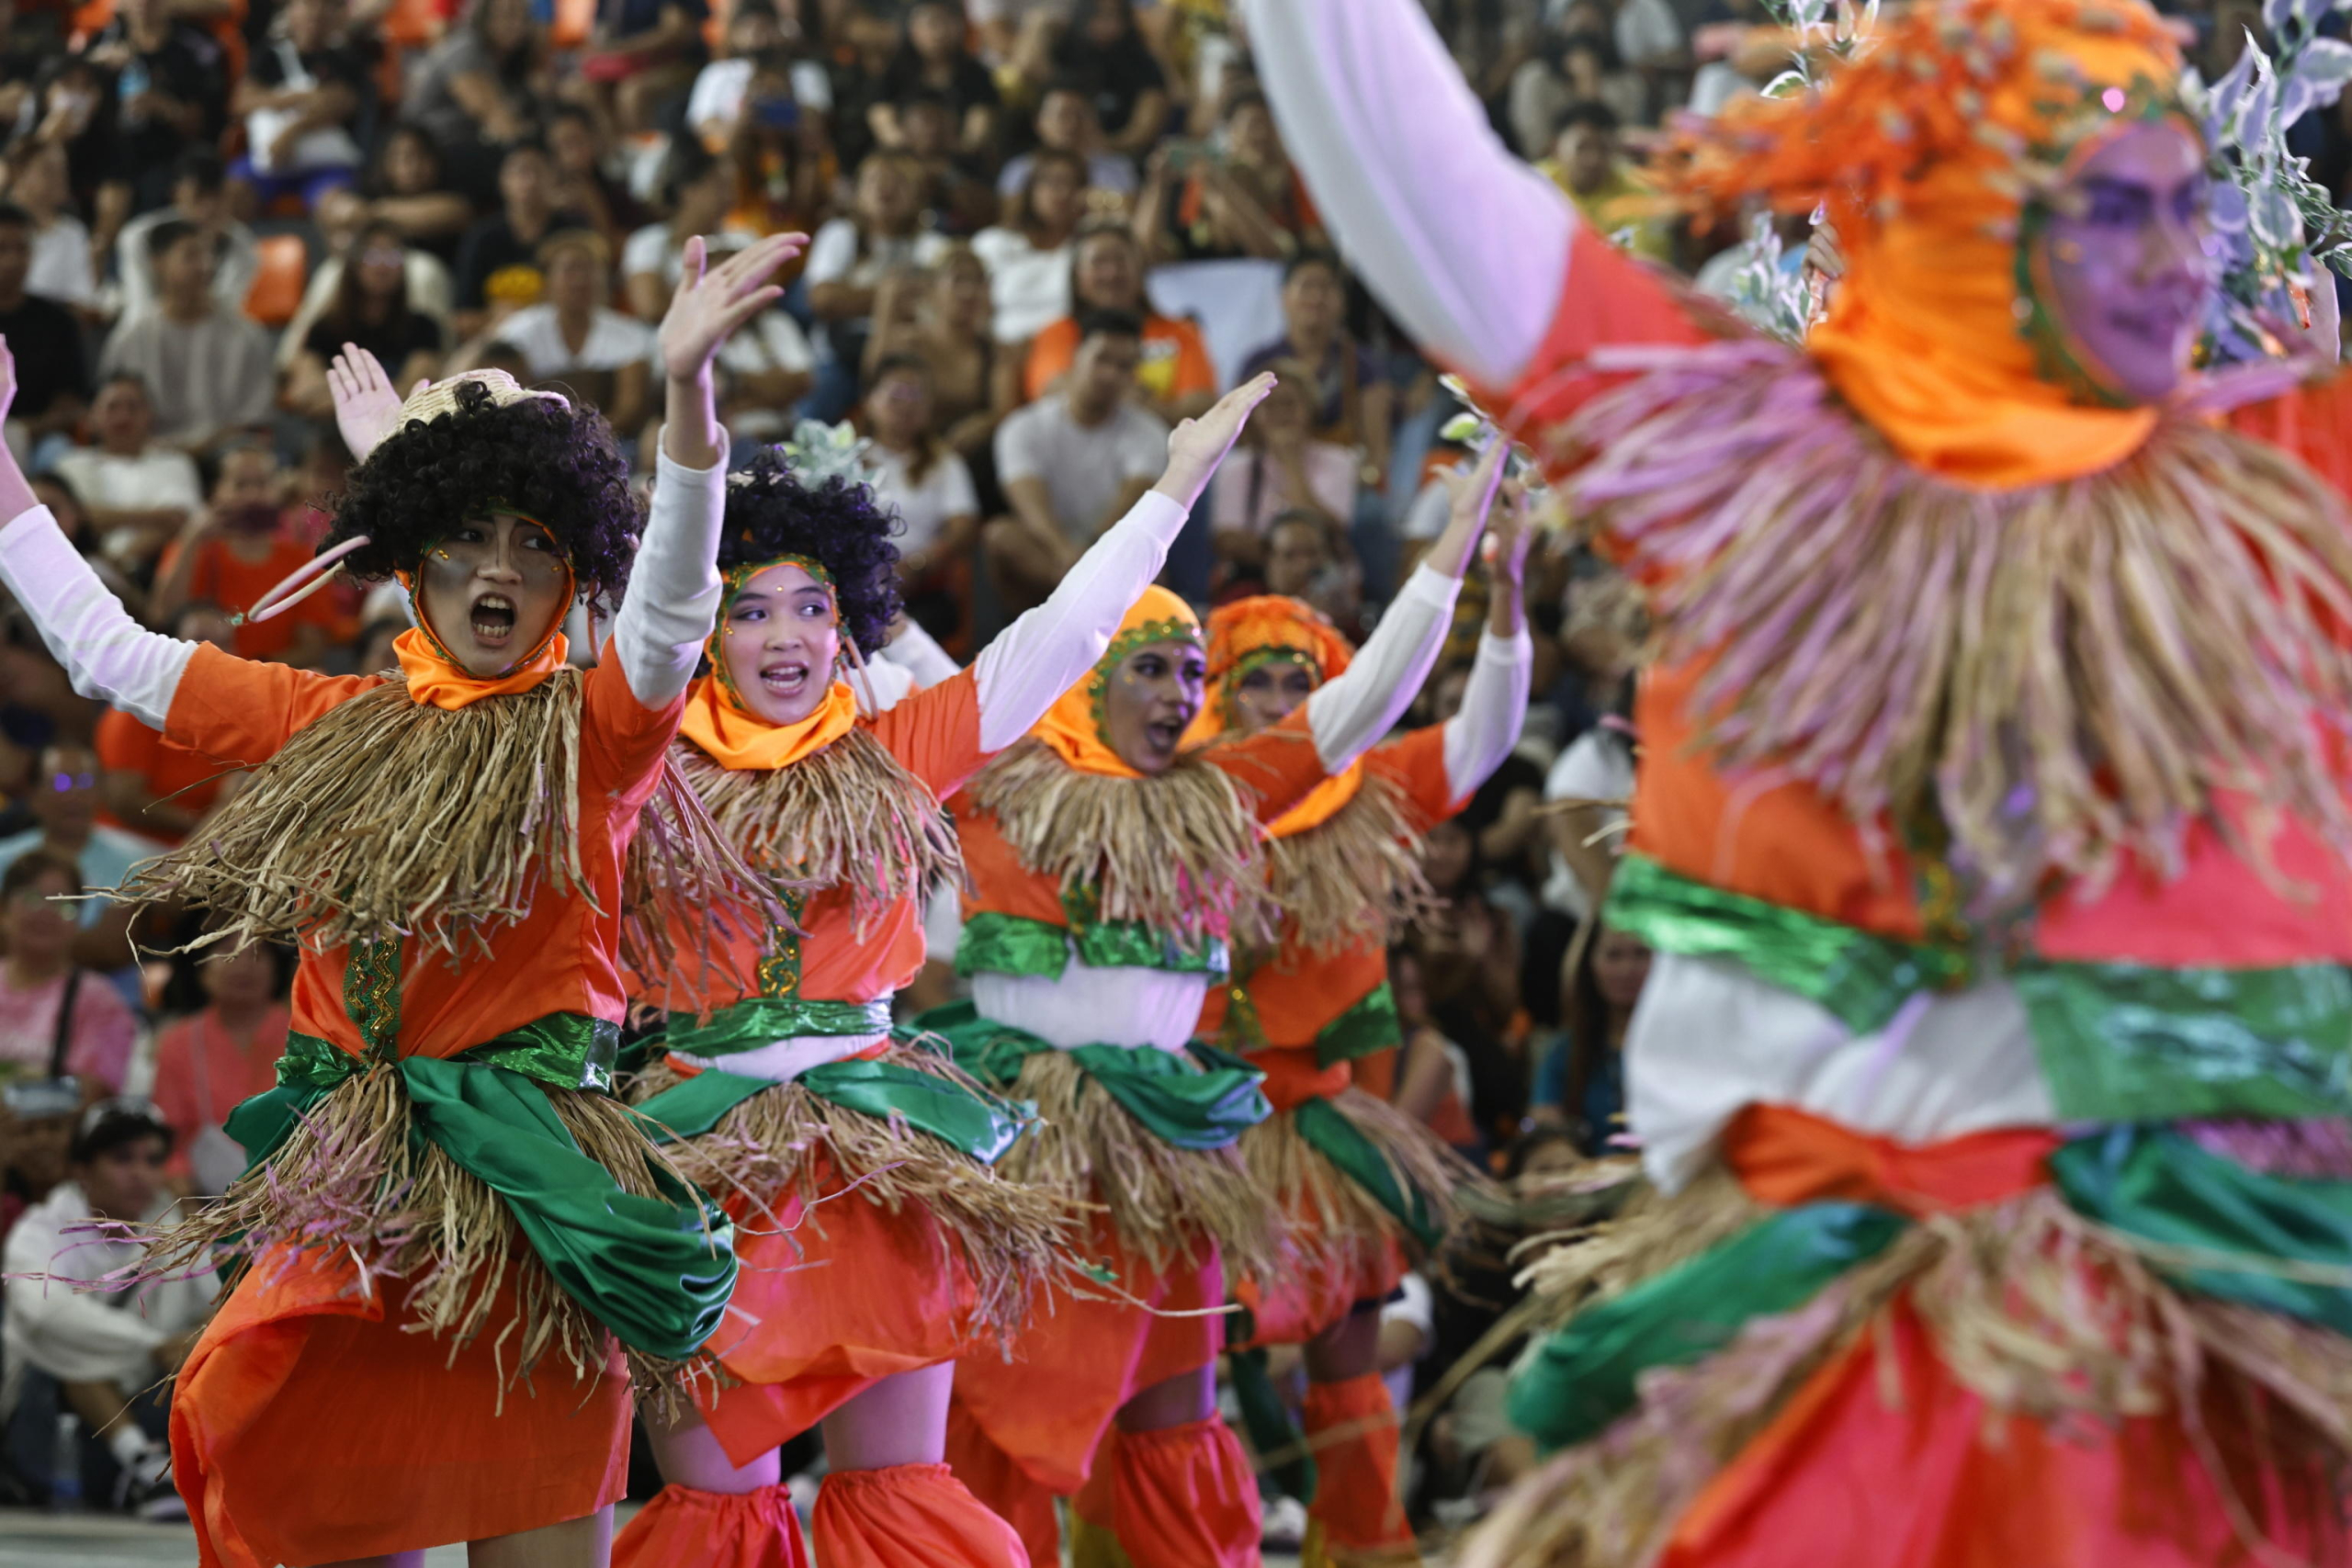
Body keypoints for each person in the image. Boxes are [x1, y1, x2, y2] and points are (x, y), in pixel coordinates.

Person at [1250, 0, 2352, 1561]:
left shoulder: (2277, 484)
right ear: (1970, 218)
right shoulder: (1749, 468)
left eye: (2192, 204)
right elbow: (1421, 180)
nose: (2183, 261)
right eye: (2116, 208)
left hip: (2201, 1324)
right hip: (1857, 1338)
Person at [0, 229, 805, 1565]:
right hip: (359, 1202)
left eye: (534, 547)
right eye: (466, 538)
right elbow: (109, 654)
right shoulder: (331, 718)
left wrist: (687, 404)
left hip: (539, 1200)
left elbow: (673, 611)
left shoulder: (600, 736)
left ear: (571, 580)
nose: (499, 569)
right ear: (412, 559)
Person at [612, 378, 1278, 1568]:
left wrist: (1172, 487)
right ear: (707, 626)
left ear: (846, 624)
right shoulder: (641, 759)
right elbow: (651, 601)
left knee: (903, 1496)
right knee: (712, 1511)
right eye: (751, 610)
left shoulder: (900, 748)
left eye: (810, 607)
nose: (784, 637)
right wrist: (686, 406)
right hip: (699, 1162)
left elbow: (1065, 635)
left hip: (875, 1166)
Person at [930, 455, 1487, 1568]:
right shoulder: (991, 775)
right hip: (1021, 1159)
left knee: (1173, 1428)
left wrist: (1462, 539)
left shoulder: (1219, 799)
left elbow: (1369, 694)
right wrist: (1176, 486)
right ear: (1090, 677)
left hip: (1170, 1164)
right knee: (996, 1424)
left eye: (1195, 671)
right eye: (1152, 667)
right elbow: (920, 645)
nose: (1183, 693)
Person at [1179, 460, 1532, 1566]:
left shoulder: (1373, 785)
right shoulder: (1170, 803)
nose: (1281, 709)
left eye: (1298, 687)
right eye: (1256, 688)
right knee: (1170, 1395)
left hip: (1323, 1144)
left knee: (1344, 1388)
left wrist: (1509, 595)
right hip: (1189, 1139)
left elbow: (1483, 736)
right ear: (1214, 694)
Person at [1, 1100, 212, 1518]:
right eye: (121, 1159)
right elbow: (43, 1313)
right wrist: (153, 1345)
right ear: (82, 1169)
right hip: (47, 1416)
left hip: (147, 1398)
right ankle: (142, 1464)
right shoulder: (42, 1228)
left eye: (153, 1160)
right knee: (62, 1346)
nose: (140, 1173)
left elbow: (218, 1305)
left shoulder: (176, 1229)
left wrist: (193, 1340)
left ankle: (149, 1467)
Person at [989, 309, 1170, 609]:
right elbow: (1027, 501)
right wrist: (1064, 552)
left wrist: (1092, 554)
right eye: (1102, 359)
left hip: (1109, 550)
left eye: (1124, 366)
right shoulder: (1023, 427)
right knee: (1001, 536)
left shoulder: (1149, 432)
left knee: (1152, 563)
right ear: (1075, 356)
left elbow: (1135, 500)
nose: (1111, 374)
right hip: (1050, 554)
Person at [147, 444, 338, 666]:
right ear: (216, 492)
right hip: (200, 675)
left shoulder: (302, 561)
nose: (252, 495)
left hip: (272, 681)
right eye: (240, 485)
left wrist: (249, 672)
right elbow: (160, 617)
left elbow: (312, 648)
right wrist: (191, 538)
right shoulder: (192, 549)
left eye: (262, 484)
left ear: (278, 491)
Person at [96, 221, 276, 455]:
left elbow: (255, 423)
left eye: (209, 255)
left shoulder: (246, 335)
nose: (205, 266)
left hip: (224, 455)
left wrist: (201, 448)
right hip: (149, 457)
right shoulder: (131, 338)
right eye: (191, 256)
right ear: (157, 263)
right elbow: (111, 417)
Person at [1023, 221, 1217, 423]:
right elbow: (1051, 394)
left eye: (1121, 260)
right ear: (1077, 277)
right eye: (1099, 262)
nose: (1112, 272)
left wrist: (1107, 394)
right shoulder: (1057, 333)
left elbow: (1202, 406)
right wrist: (1138, 398)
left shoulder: (1179, 332)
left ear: (1140, 271)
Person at [1237, 250, 1394, 489]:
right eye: (1307, 286)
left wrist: (1364, 478)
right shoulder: (1258, 363)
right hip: (1269, 478)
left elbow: (1377, 448)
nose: (1317, 297)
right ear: (1284, 296)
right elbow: (1243, 440)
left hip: (1341, 480)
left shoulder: (1362, 364)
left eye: (1327, 288)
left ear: (1343, 302)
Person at [482, 230, 655, 439]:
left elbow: (630, 409)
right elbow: (503, 395)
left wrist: (582, 440)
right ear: (548, 280)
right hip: (535, 439)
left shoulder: (630, 334)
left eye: (590, 269)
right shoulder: (519, 330)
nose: (580, 279)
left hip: (610, 441)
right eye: (570, 269)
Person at [149, 941, 289, 1195]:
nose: (244, 965)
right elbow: (167, 1142)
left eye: (257, 953)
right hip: (204, 1203)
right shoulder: (178, 1043)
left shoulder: (309, 1035)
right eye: (229, 952)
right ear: (202, 969)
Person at [865, 245, 1016, 479]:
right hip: (910, 450)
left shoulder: (995, 351)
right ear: (932, 289)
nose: (968, 291)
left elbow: (1005, 413)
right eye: (958, 280)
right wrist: (887, 304)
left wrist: (982, 424)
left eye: (977, 281)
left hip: (970, 458)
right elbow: (871, 384)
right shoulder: (909, 342)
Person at [0, 744, 155, 971]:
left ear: (101, 793)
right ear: (33, 796)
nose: (74, 794)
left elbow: (112, 949)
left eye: (85, 782)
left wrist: (26, 938)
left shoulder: (132, 862)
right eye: (61, 783)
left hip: (105, 988)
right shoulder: (5, 858)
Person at [1208, 365, 1354, 589]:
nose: (1281, 414)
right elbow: (1227, 540)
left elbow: (1332, 533)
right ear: (1253, 416)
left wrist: (1291, 464)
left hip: (1320, 580)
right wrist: (1283, 561)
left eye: (1290, 404)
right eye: (1269, 406)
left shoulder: (1339, 460)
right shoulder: (1235, 467)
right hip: (1255, 580)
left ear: (1310, 408)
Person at [284, 220, 447, 421]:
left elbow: (419, 389)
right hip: (334, 429)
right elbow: (304, 390)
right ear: (354, 263)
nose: (383, 266)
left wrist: (346, 401)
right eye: (372, 256)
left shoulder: (423, 327)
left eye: (393, 256)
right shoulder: (325, 327)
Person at [1135, 87, 1318, 265]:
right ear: (1230, 132)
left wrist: (1223, 185)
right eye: (1253, 125)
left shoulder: (1295, 184)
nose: (1262, 135)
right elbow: (1146, 252)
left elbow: (1274, 252)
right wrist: (1158, 184)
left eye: (1271, 125)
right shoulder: (1196, 190)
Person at [0, 852, 135, 1093]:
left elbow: (92, 1091)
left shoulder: (100, 1001)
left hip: (45, 1127)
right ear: (4, 910)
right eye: (32, 898)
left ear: (79, 921)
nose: (45, 912)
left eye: (63, 905)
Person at [83, 0, 229, 216]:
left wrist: (165, 107)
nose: (142, 5)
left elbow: (202, 128)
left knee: (158, 183)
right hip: (110, 146)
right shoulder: (104, 42)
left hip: (168, 152)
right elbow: (70, 86)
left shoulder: (193, 49)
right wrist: (96, 69)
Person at [227, 0, 371, 216]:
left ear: (337, 15)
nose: (317, 12)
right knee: (230, 197)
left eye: (325, 6)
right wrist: (297, 97)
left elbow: (342, 103)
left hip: (325, 164)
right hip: (268, 161)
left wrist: (292, 132)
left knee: (343, 211)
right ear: (290, 9)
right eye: (309, 4)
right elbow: (241, 102)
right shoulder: (268, 54)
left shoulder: (347, 59)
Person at [404, 0, 551, 208]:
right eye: (507, 15)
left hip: (474, 142)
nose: (516, 24)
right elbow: (497, 120)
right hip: (434, 147)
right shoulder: (464, 49)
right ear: (484, 17)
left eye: (523, 17)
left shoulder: (514, 60)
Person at [48, 376, 202, 572]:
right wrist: (156, 517)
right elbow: (77, 518)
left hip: (158, 567)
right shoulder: (70, 464)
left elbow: (182, 520)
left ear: (150, 415)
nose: (123, 416)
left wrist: (123, 561)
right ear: (92, 418)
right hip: (84, 566)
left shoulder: (175, 463)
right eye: (112, 407)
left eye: (133, 407)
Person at [866, 354, 981, 603]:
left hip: (922, 582)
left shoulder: (945, 462)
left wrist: (920, 564)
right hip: (857, 577)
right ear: (870, 401)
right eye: (896, 395)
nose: (907, 405)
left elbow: (963, 526)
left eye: (916, 396)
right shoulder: (848, 459)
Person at [1531, 919, 1652, 1156]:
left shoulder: (1687, 1046)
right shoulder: (1564, 1051)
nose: (1627, 969)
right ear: (1590, 963)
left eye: (1641, 953)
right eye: (1613, 956)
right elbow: (1542, 1129)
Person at [451, 138, 592, 340]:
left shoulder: (573, 230)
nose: (530, 181)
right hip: (501, 341)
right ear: (502, 180)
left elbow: (595, 301)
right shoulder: (482, 237)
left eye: (538, 171)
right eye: (520, 172)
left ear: (553, 177)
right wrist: (498, 318)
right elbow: (461, 319)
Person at [625, 138, 754, 321]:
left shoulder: (743, 239)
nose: (730, 195)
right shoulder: (646, 242)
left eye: (731, 186)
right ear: (687, 190)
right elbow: (651, 307)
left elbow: (763, 298)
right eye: (719, 186)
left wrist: (677, 296)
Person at [0, 203, 89, 460]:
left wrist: (23, 431)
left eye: (22, 249)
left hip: (39, 439)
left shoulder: (58, 322)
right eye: (3, 249)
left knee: (59, 454)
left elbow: (71, 402)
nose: (14, 260)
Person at [972, 146, 1086, 345]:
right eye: (1053, 182)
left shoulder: (1088, 249)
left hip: (1066, 348)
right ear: (1030, 189)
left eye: (1074, 184)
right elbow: (973, 311)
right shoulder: (993, 243)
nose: (1064, 193)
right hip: (1000, 348)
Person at [1536, 102, 1671, 265]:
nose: (1594, 159)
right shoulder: (1535, 187)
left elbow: (1644, 268)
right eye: (1582, 147)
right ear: (1555, 147)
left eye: (1603, 148)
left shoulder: (1640, 196)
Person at [337, 120, 477, 272]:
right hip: (379, 279)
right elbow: (341, 215)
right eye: (402, 157)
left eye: (421, 155)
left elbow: (455, 213)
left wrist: (372, 213)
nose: (413, 167)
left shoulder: (450, 187)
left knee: (422, 271)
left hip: (441, 276)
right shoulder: (369, 189)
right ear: (385, 162)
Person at [871, 2, 1001, 161]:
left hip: (958, 158)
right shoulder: (895, 71)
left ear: (960, 28)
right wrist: (903, 146)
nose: (939, 33)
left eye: (947, 22)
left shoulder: (976, 74)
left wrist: (959, 149)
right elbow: (880, 114)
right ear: (913, 29)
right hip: (905, 156)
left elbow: (980, 123)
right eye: (931, 24)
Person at [1051, 0, 1171, 158]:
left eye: (1115, 16)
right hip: (1058, 155)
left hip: (1119, 156)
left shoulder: (1143, 65)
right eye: (1098, 14)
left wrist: (1105, 145)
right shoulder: (1064, 54)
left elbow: (1145, 126)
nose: (1108, 24)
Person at [995, 77, 1141, 199]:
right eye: (1062, 115)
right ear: (1039, 123)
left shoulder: (1117, 170)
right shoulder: (1020, 172)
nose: (1072, 124)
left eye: (1080, 115)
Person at [3, 141, 95, 314]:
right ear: (18, 173)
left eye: (63, 171)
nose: (60, 179)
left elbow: (81, 299)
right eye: (49, 171)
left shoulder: (73, 234)